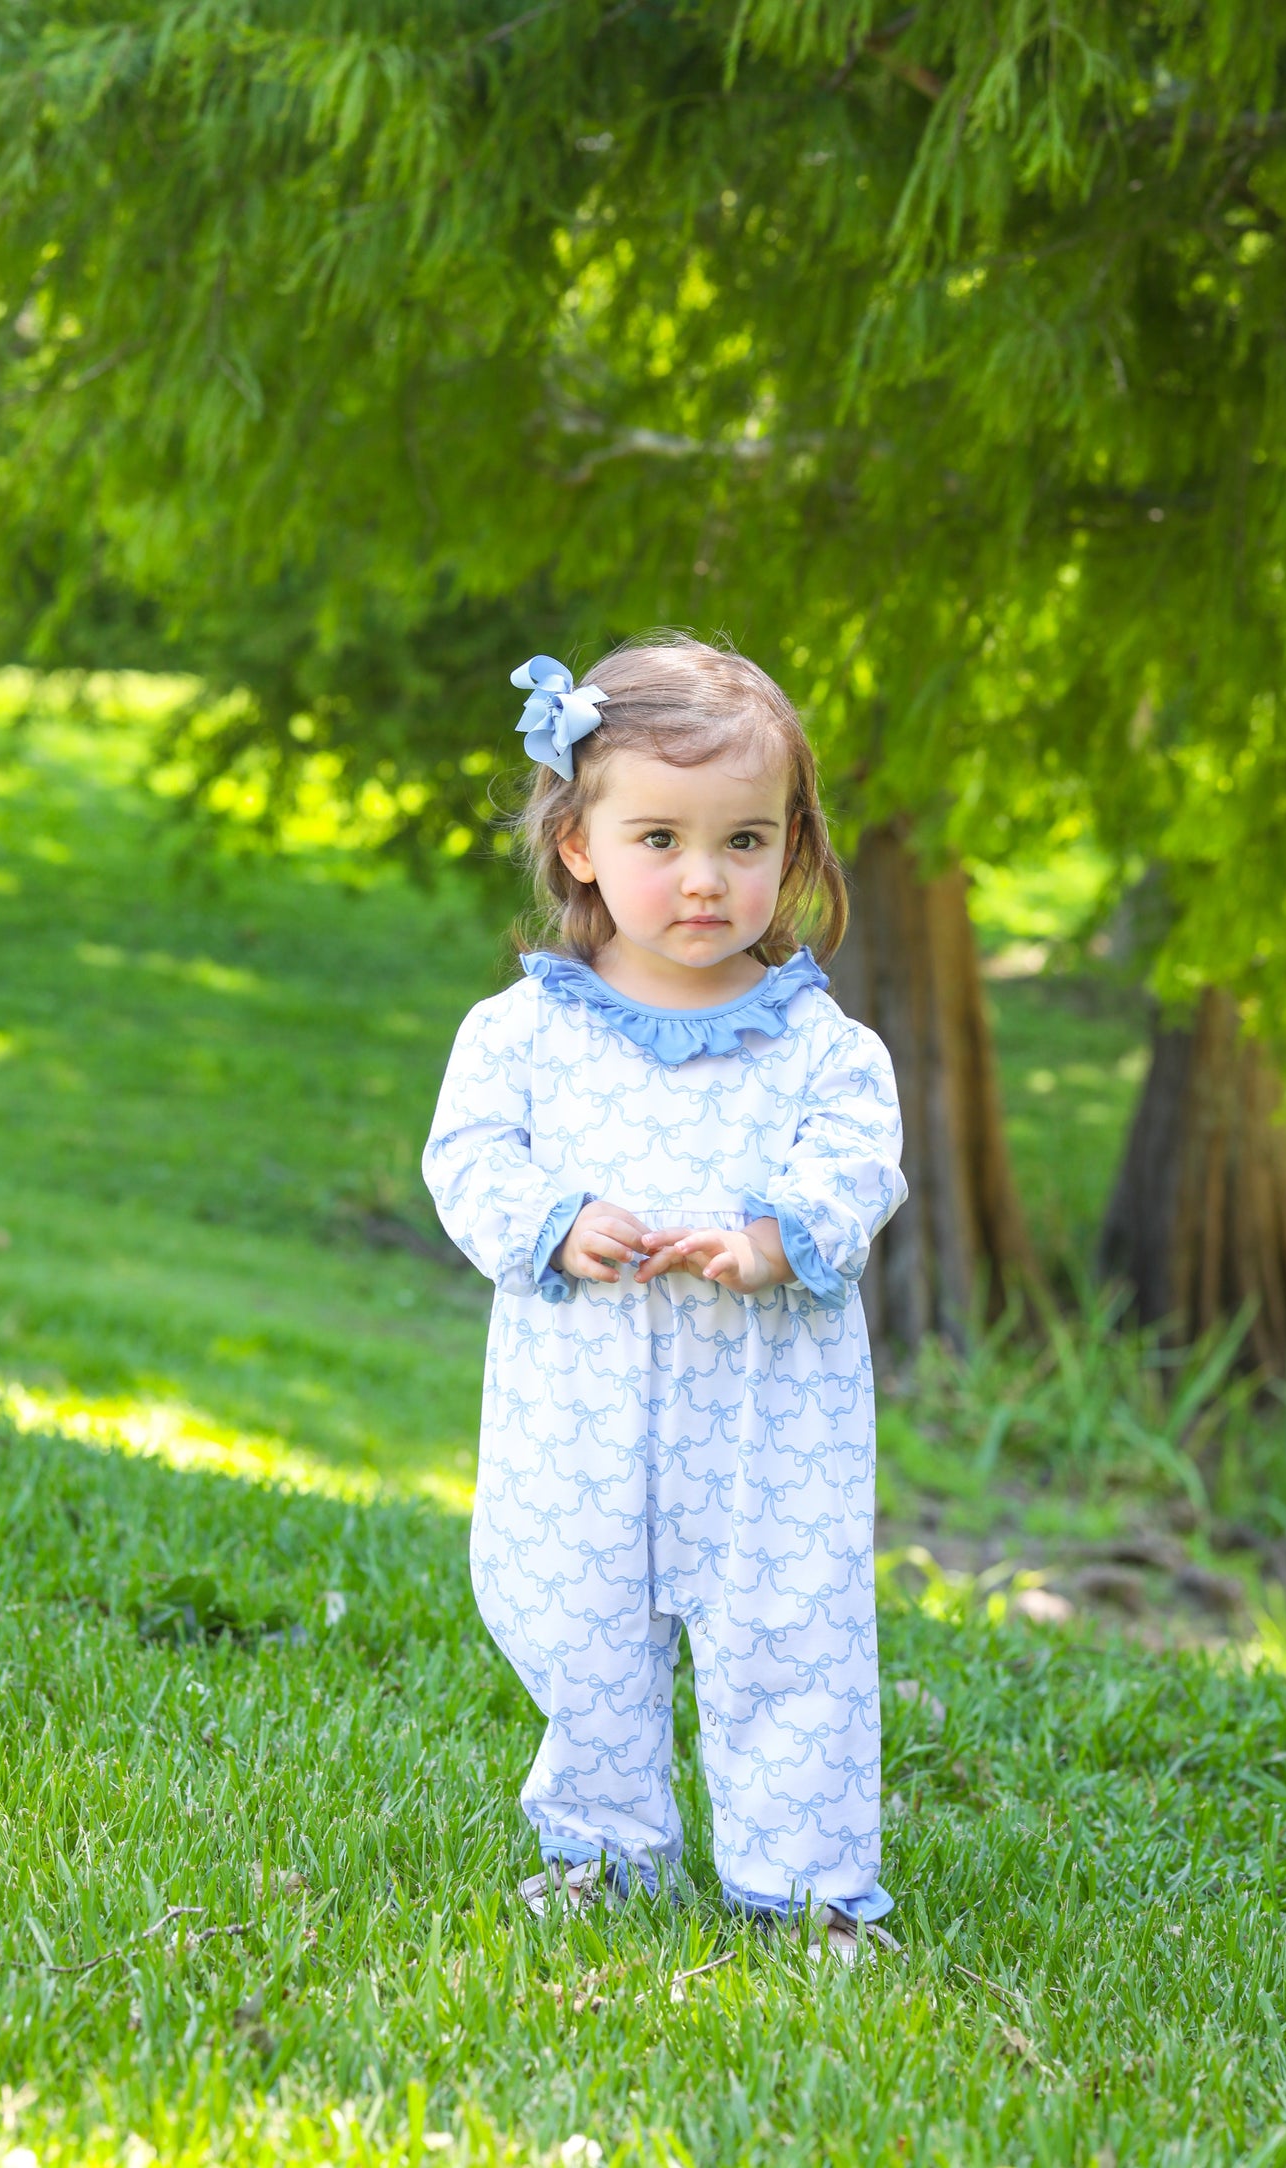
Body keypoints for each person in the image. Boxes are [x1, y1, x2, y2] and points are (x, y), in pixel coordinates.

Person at [422, 635, 907, 1960]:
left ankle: (803, 1887)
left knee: (789, 1639)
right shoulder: (520, 1035)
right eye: (660, 839)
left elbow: (856, 1162)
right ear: (577, 844)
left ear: (792, 848)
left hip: (768, 1424)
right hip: (576, 1414)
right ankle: (605, 1852)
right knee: (577, 1628)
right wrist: (554, 1221)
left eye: (744, 841)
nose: (705, 877)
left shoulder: (821, 1047)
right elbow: (468, 1158)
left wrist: (775, 1238)